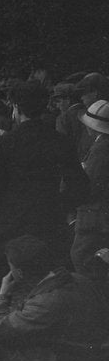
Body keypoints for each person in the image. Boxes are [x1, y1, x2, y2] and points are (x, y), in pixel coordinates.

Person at [0, 81, 89, 295]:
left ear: (16, 108)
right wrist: (60, 204)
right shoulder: (60, 142)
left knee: (3, 285)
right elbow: (81, 187)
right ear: (45, 106)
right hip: (48, 223)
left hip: (8, 226)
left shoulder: (4, 144)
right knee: (48, 288)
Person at [71, 100, 109, 274]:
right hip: (101, 211)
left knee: (81, 256)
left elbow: (90, 183)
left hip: (95, 213)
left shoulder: (102, 147)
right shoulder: (101, 144)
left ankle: (91, 296)